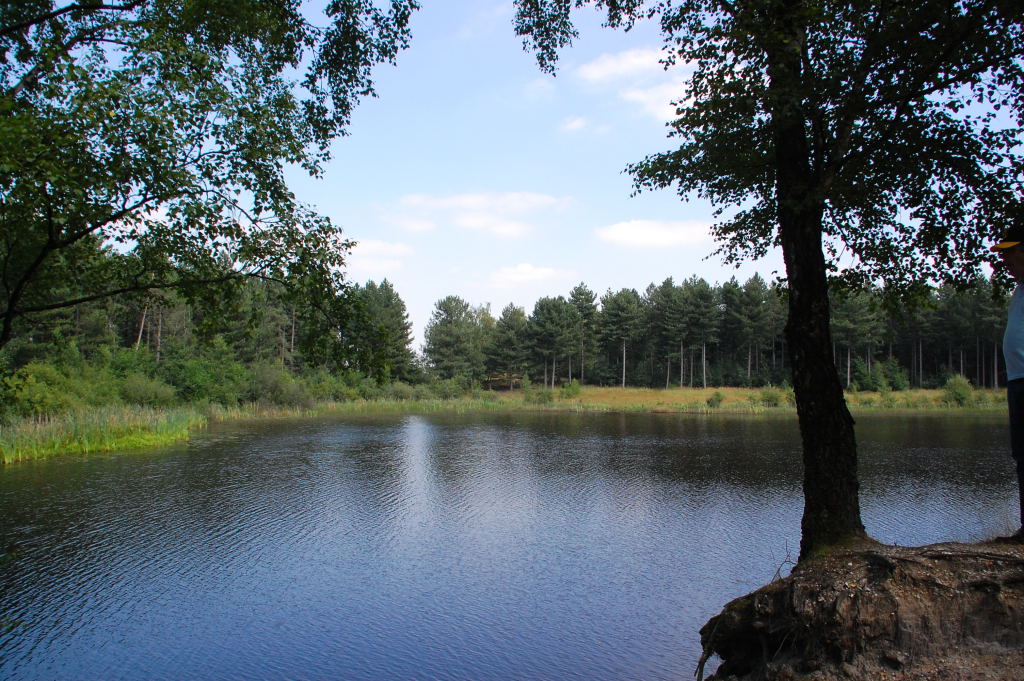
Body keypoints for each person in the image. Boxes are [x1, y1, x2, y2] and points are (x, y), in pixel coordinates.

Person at [991, 225, 1024, 541]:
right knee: (1022, 454)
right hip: (1017, 381)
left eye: (1009, 253)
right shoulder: (1019, 289)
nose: (1004, 261)